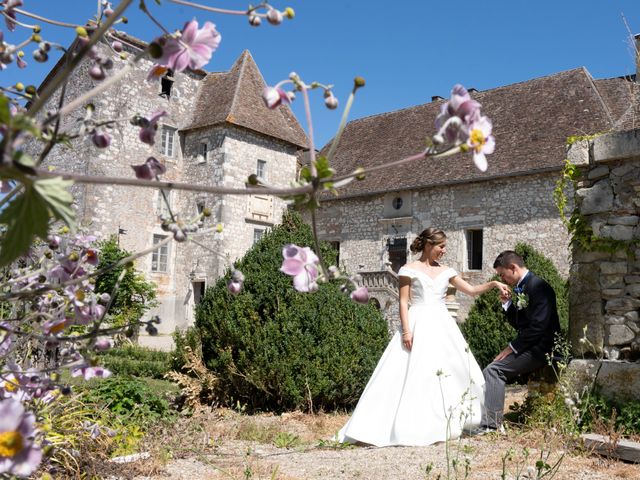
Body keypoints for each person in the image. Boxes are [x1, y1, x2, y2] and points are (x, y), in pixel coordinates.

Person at [336, 228, 510, 447]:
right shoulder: (409, 269)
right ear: (428, 245)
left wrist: (494, 284)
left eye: (445, 247)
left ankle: (455, 417)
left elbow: (472, 291)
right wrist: (407, 331)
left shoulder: (447, 271)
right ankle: (410, 422)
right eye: (441, 246)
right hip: (418, 321)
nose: (444, 251)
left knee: (452, 369)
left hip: (443, 324)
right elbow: (402, 301)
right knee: (413, 370)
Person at [479, 250, 561, 433]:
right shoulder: (525, 287)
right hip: (532, 345)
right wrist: (507, 305)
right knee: (494, 366)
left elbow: (539, 327)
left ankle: (491, 425)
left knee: (494, 370)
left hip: (543, 347)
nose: (502, 278)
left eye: (502, 274)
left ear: (513, 268)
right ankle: (491, 422)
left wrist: (512, 348)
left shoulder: (539, 287)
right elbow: (521, 323)